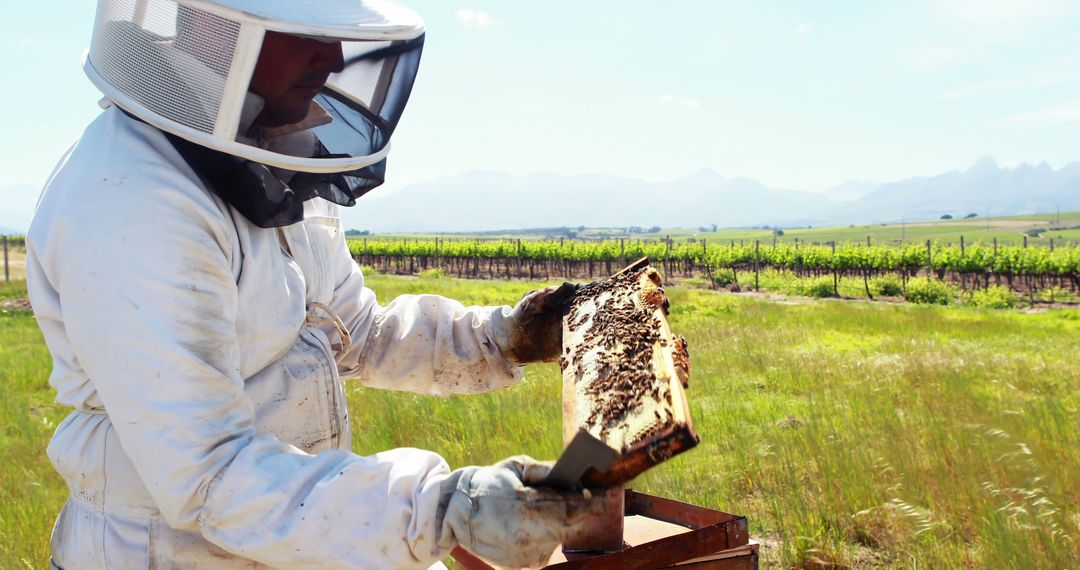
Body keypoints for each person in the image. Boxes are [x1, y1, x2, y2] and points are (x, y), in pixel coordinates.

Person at [26, 1, 602, 568]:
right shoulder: (130, 200)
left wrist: (502, 337)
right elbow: (210, 474)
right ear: (210, 20)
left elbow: (357, 332)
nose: (332, 56)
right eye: (305, 28)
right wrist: (438, 510)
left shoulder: (268, 149)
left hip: (286, 543)